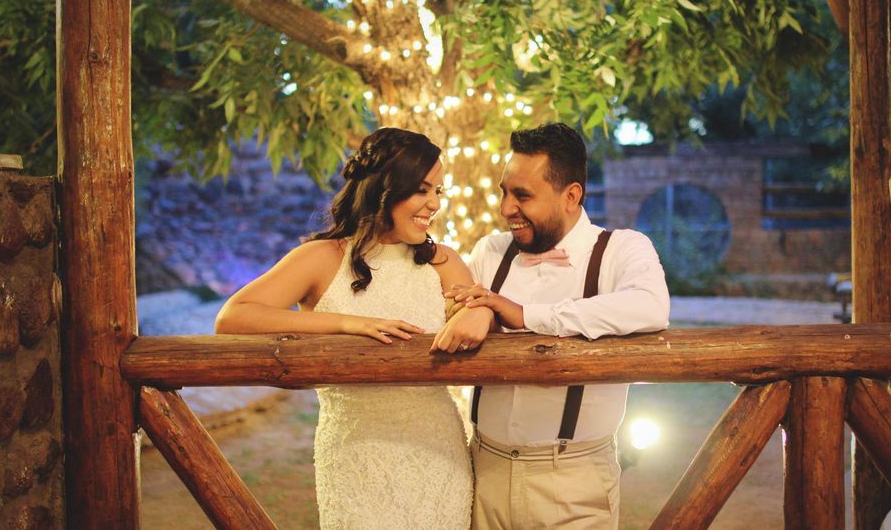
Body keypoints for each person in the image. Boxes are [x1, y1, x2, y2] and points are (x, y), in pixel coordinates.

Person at [215, 127, 493, 529]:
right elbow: (232, 318)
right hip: (354, 452)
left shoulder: (442, 261)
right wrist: (348, 324)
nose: (434, 204)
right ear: (385, 189)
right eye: (422, 190)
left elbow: (476, 316)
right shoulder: (321, 258)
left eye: (439, 192)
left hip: (436, 449)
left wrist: (477, 313)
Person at [441, 123, 670, 529]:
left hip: (572, 480)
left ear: (571, 196)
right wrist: (481, 312)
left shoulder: (622, 249)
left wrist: (525, 314)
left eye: (522, 195)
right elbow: (448, 312)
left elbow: (650, 308)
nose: (506, 208)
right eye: (504, 192)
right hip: (484, 469)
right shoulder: (490, 251)